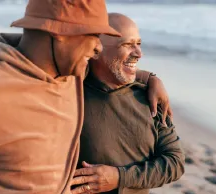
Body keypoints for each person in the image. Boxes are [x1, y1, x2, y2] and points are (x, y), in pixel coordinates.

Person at [0, 1, 170, 194]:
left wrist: (150, 78)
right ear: (59, 32)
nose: (99, 47)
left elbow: (109, 69)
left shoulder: (72, 75)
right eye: (93, 35)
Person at [71, 13, 185, 194]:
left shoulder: (150, 99)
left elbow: (174, 163)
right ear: (95, 50)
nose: (139, 53)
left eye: (138, 44)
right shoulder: (69, 93)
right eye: (127, 44)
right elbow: (20, 45)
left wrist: (120, 177)